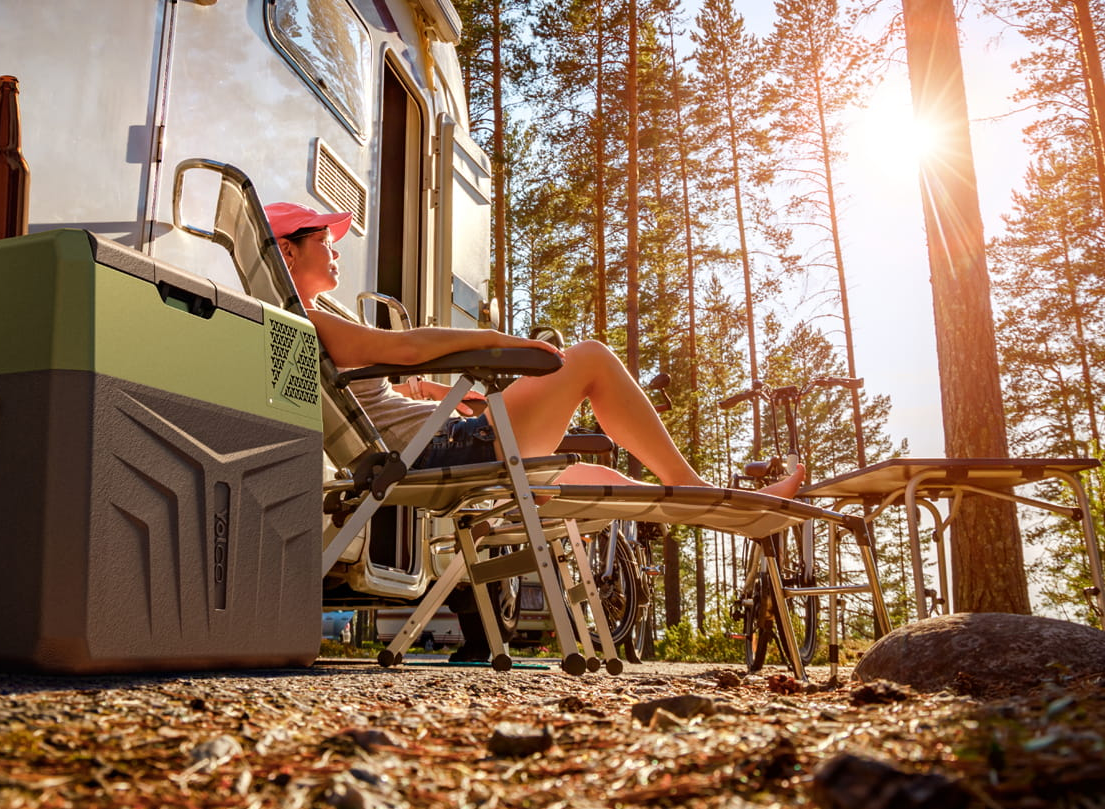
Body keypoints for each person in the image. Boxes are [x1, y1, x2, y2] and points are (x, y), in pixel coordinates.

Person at [268, 201, 805, 657]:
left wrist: (442, 395)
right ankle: (698, 488)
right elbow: (407, 348)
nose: (335, 246)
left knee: (593, 475)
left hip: (437, 443)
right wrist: (509, 345)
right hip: (441, 452)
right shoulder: (313, 320)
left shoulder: (314, 318)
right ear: (287, 251)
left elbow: (389, 388)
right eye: (322, 237)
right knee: (590, 359)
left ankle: (740, 517)